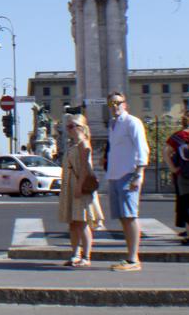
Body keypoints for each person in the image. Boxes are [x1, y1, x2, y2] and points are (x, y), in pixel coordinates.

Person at [105, 90, 150, 271]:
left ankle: (133, 259)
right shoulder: (112, 124)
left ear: (125, 104)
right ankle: (130, 256)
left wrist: (138, 174)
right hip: (114, 175)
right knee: (123, 218)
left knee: (130, 216)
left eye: (117, 102)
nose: (114, 106)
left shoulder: (132, 122)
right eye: (111, 104)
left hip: (128, 175)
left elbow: (142, 148)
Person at [58, 113, 104, 267]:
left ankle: (86, 256)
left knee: (82, 222)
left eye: (72, 126)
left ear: (81, 127)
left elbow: (85, 168)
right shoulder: (73, 145)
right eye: (68, 127)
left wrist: (79, 186)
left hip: (79, 186)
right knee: (73, 223)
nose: (69, 129)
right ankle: (75, 254)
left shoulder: (84, 145)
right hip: (70, 186)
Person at [165, 109, 189, 245]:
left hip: (184, 174)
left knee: (186, 205)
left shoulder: (178, 136)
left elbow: (166, 153)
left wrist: (173, 169)